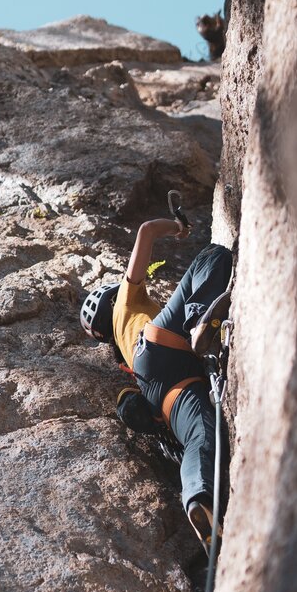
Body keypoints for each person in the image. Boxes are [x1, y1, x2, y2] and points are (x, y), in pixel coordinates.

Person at [80, 217, 232, 553]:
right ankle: (197, 323)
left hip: (161, 387)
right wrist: (176, 227)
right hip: (160, 342)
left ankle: (197, 499)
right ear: (110, 301)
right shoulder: (124, 303)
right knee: (214, 256)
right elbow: (145, 230)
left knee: (201, 436)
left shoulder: (124, 362)